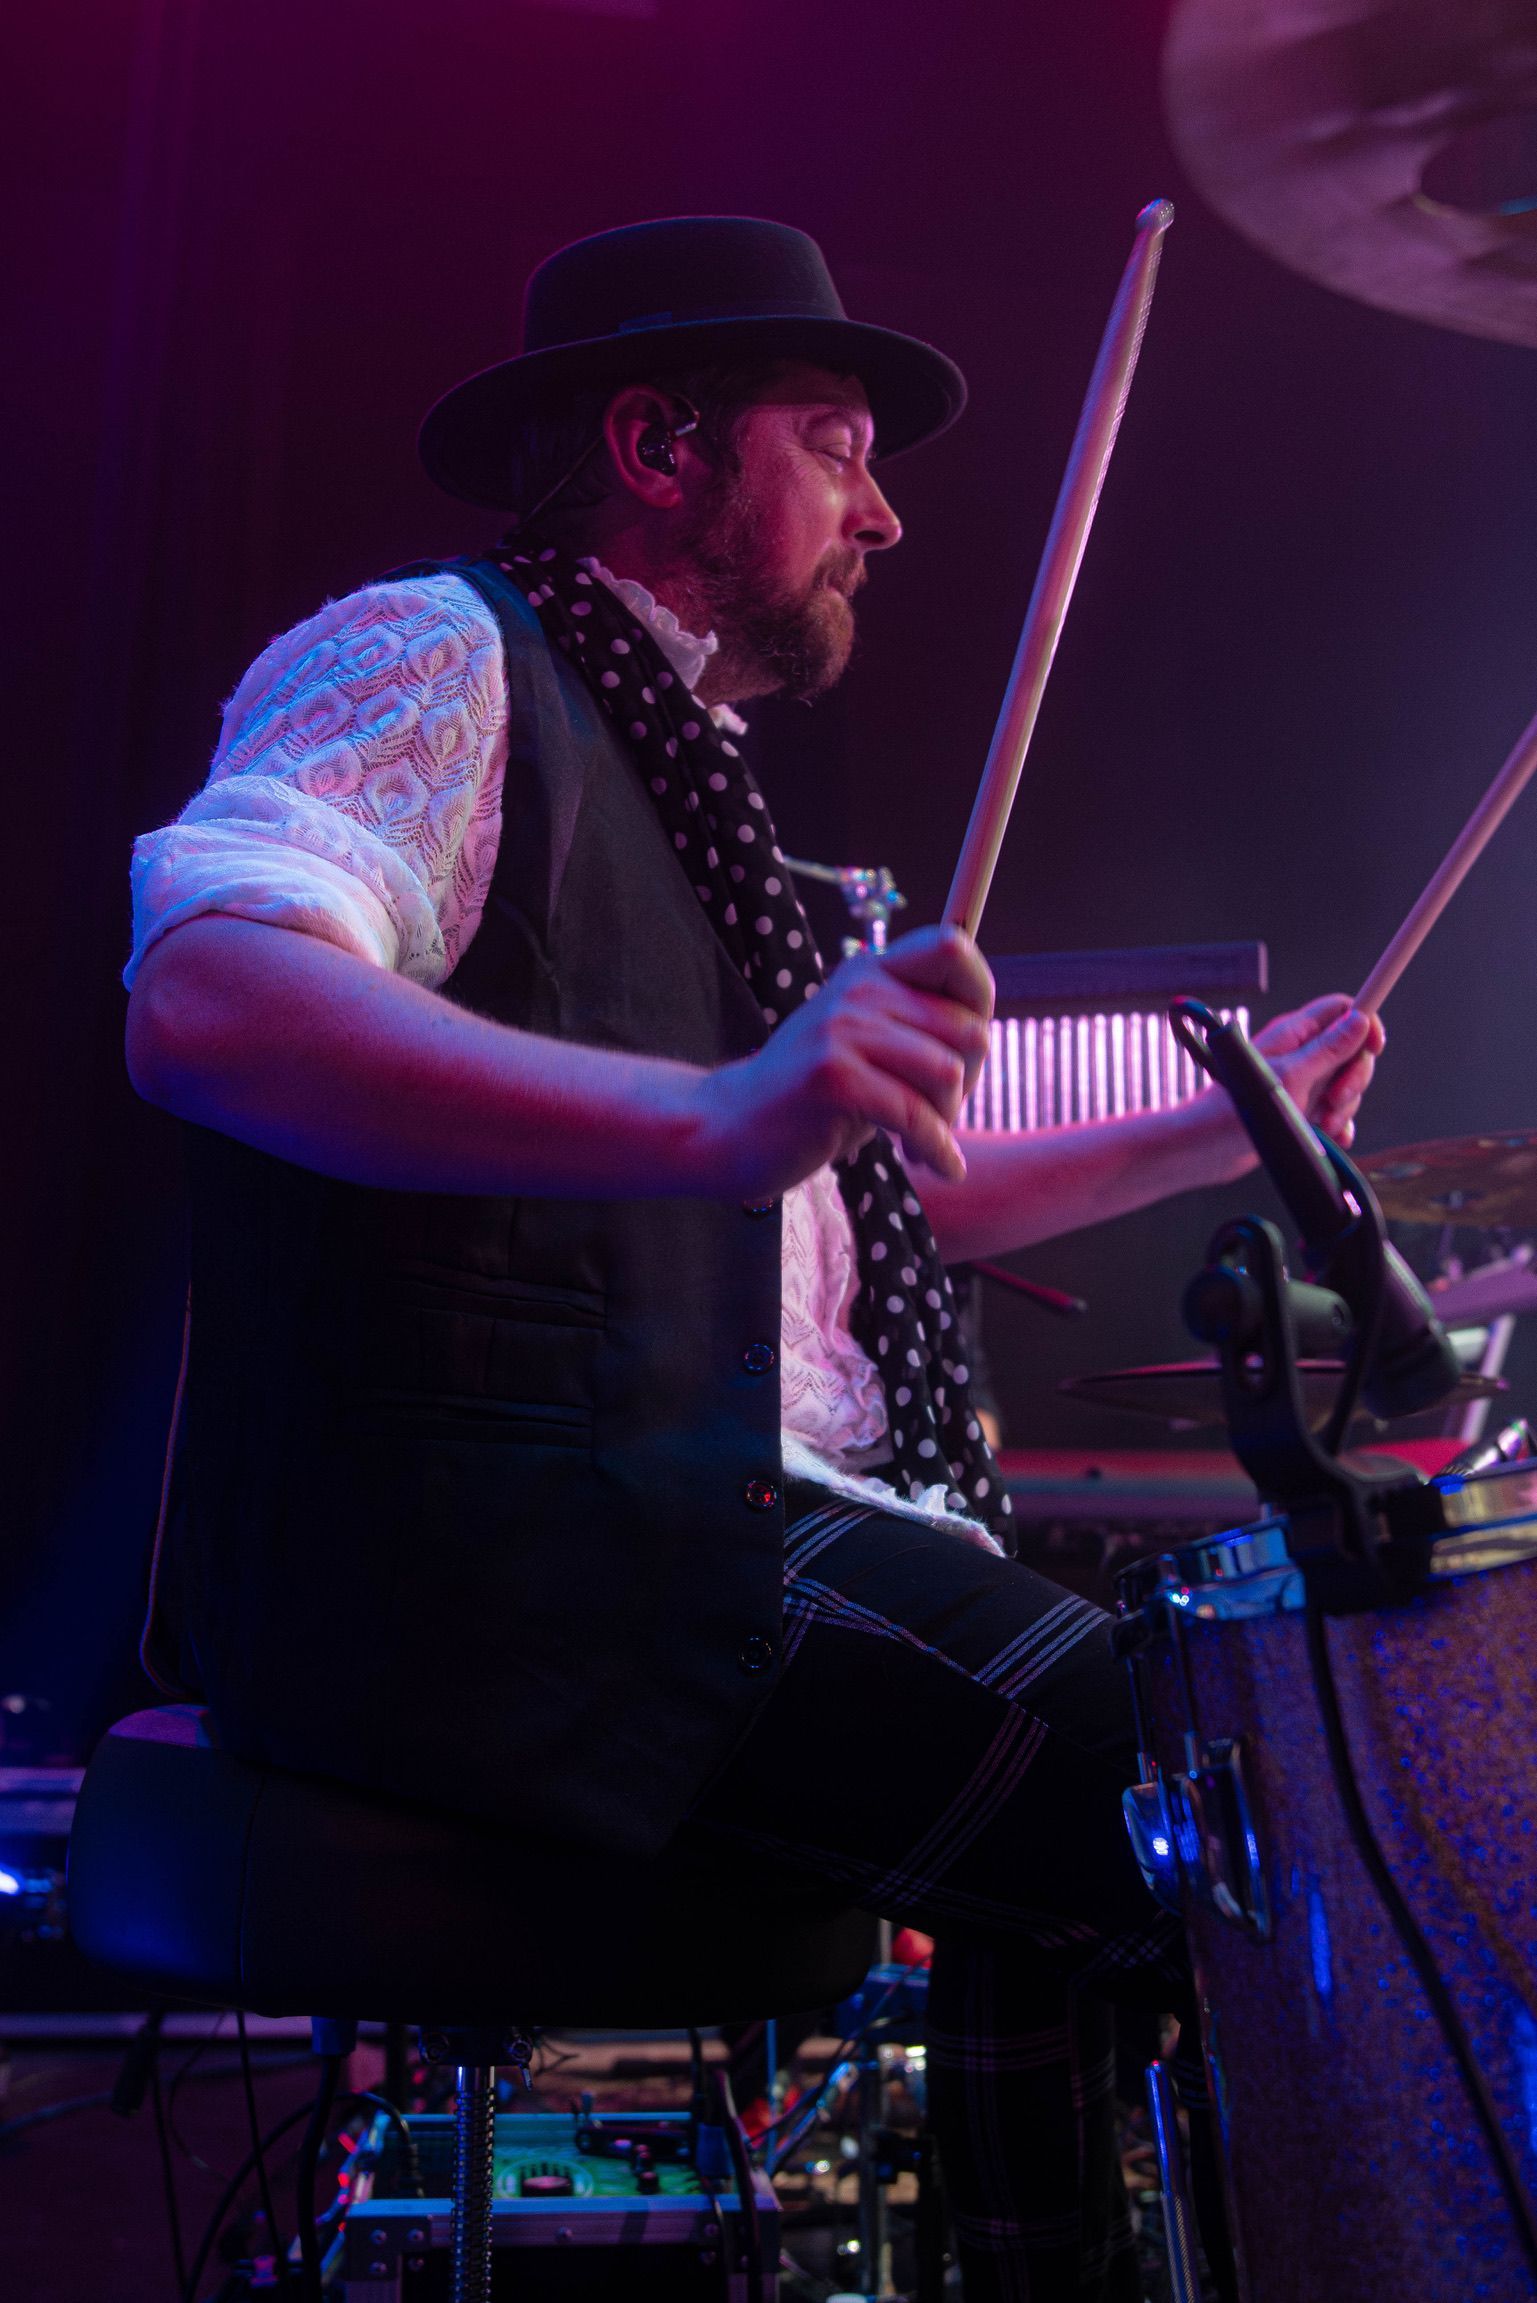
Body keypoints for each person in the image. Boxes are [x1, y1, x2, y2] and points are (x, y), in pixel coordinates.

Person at [124, 217, 1380, 2300]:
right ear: (654, 443)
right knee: (1212, 1796)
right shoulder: (434, 657)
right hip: (535, 1557)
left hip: (712, 1524)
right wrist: (726, 1110)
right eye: (835, 443)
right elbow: (211, 1003)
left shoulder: (711, 804)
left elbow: (856, 1210)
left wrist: (1219, 1128)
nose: (884, 511)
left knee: (1185, 1792)